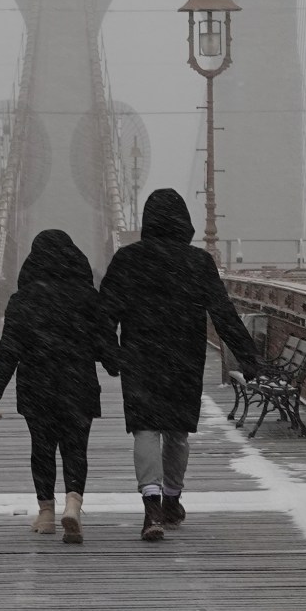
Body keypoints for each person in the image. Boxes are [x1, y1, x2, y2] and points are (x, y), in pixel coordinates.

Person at [100, 188, 261, 541]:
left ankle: (152, 507)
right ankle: (172, 499)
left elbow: (103, 315)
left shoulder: (127, 259)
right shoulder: (198, 262)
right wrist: (248, 357)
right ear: (184, 222)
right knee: (176, 432)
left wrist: (110, 355)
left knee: (145, 430)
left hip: (139, 358)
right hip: (183, 359)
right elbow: (223, 314)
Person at [0, 229, 118, 544]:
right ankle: (73, 502)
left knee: (41, 449)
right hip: (79, 384)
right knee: (75, 447)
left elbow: (9, 351)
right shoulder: (88, 298)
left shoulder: (22, 300)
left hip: (36, 387)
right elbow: (106, 350)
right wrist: (116, 361)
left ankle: (45, 514)